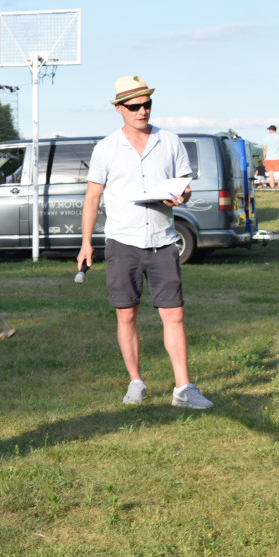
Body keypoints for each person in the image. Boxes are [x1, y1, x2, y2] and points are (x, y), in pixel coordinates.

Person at [76, 75, 212, 410]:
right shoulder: (106, 148)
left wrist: (180, 195)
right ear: (120, 109)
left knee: (175, 315)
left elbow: (185, 186)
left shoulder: (170, 141)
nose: (142, 110)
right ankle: (136, 382)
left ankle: (184, 388)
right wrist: (85, 244)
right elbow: (92, 198)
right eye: (134, 106)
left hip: (163, 240)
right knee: (127, 316)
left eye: (147, 104)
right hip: (123, 241)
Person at [263, 125, 279, 189]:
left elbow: (265, 149)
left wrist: (264, 158)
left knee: (271, 174)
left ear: (270, 130)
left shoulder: (266, 138)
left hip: (269, 158)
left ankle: (272, 188)